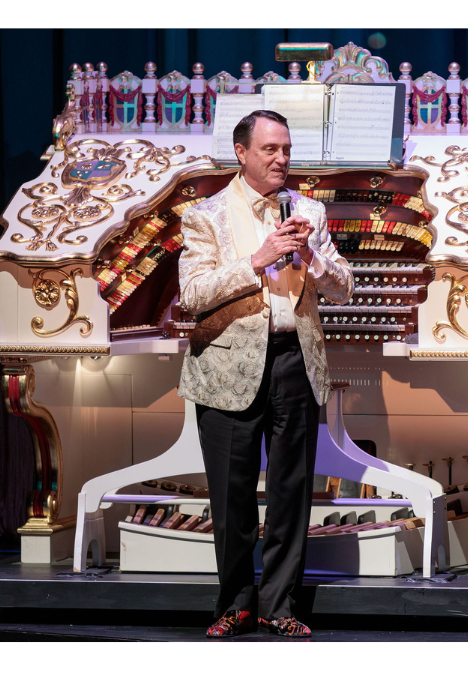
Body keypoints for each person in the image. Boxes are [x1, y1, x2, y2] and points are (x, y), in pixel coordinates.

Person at [177, 110, 353, 638]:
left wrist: (312, 259)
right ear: (242, 153)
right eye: (269, 150)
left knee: (291, 490)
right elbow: (192, 297)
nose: (281, 160)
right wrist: (257, 259)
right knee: (231, 496)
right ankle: (235, 603)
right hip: (229, 364)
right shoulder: (204, 215)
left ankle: (280, 605)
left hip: (295, 360)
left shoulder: (309, 212)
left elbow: (344, 288)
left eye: (285, 149)